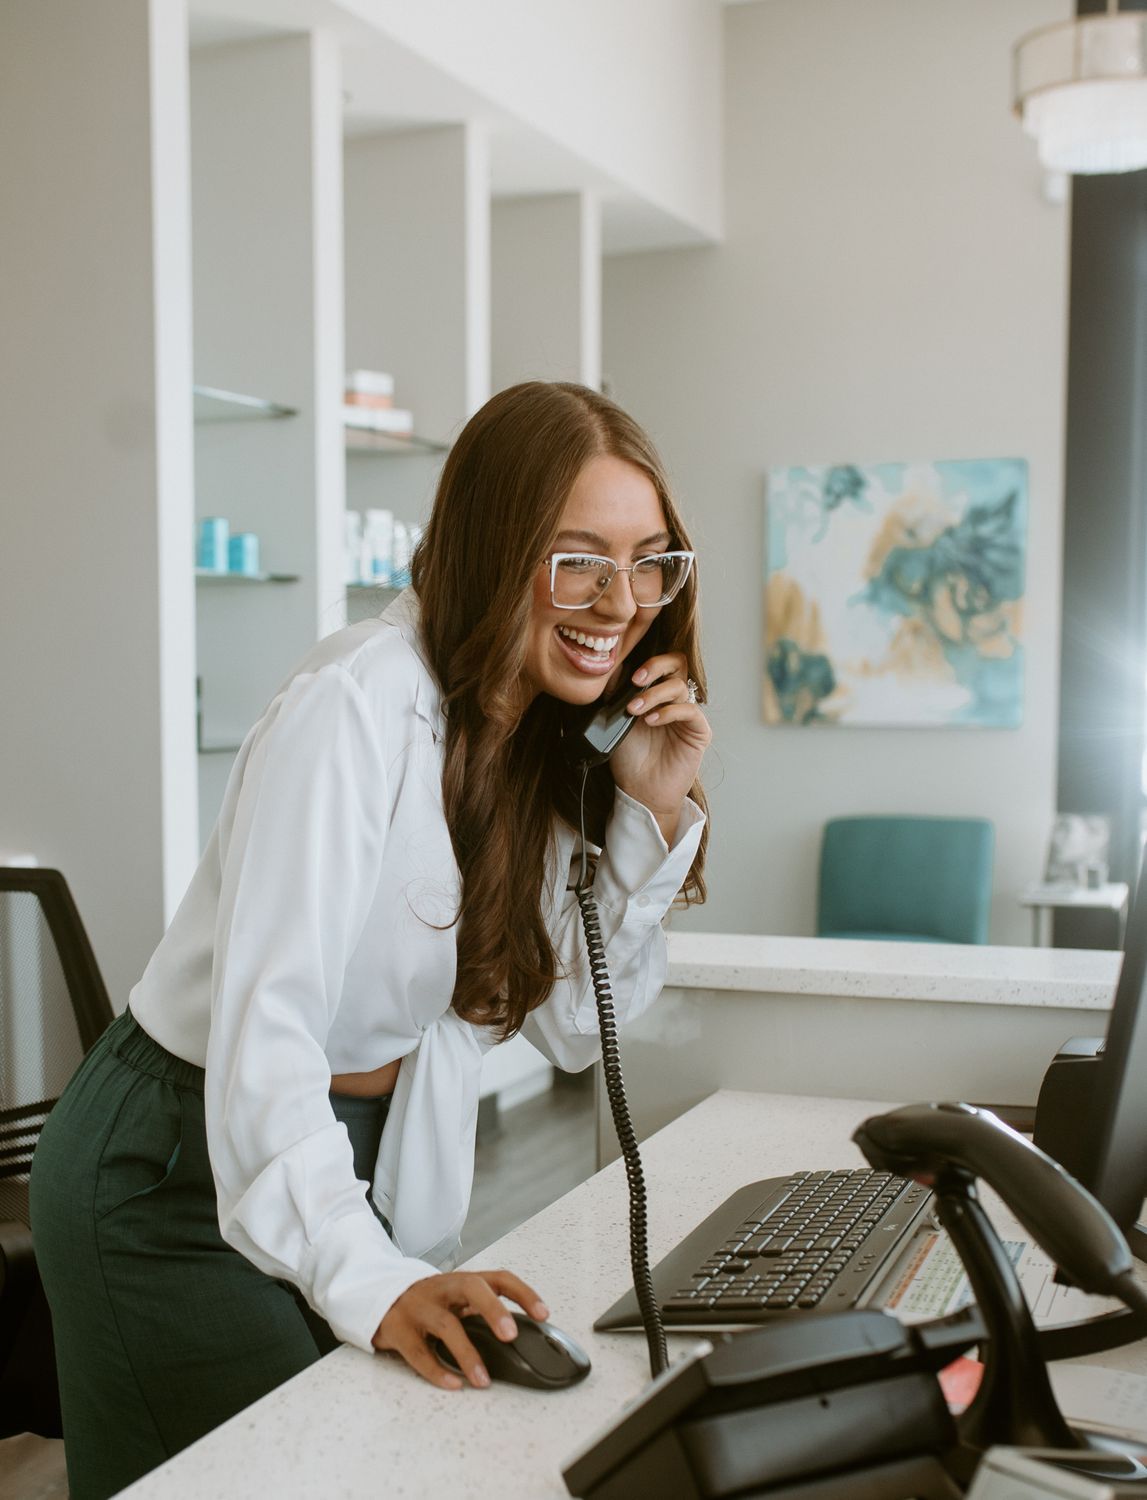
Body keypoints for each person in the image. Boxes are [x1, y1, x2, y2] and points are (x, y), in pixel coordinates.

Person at [30, 380, 710, 1500]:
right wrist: (373, 1278)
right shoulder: (352, 707)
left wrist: (647, 813)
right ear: (495, 551)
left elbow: (576, 1027)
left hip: (324, 1153)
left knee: (375, 1455)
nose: (620, 601)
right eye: (577, 558)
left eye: (650, 563)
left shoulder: (525, 735)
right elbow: (269, 1037)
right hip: (169, 1168)